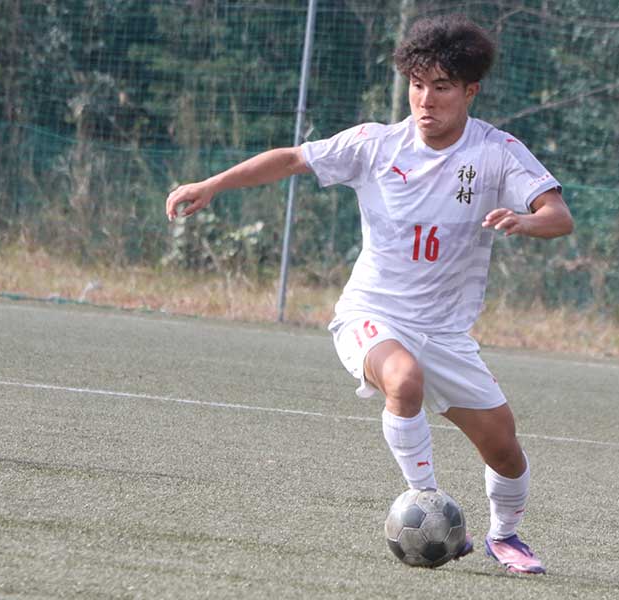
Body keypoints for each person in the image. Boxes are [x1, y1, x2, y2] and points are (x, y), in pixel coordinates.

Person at [165, 14, 573, 575]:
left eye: (443, 87)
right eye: (417, 85)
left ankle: (506, 537)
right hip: (373, 315)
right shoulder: (374, 144)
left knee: (504, 447)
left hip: (447, 332)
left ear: (470, 90)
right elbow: (291, 159)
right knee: (403, 380)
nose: (426, 100)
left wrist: (528, 222)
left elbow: (558, 215)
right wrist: (211, 185)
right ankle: (429, 506)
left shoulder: (497, 152)